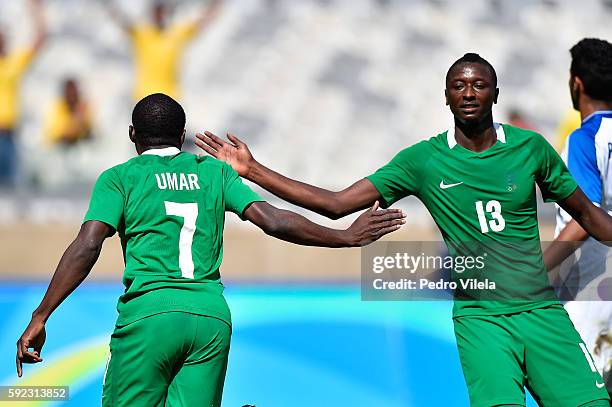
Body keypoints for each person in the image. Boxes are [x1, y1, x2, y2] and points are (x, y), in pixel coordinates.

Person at [196, 53, 612, 406]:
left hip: (541, 310)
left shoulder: (530, 148)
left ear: (495, 94)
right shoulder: (423, 161)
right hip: (481, 318)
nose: (468, 93)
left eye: (479, 84)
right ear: (446, 97)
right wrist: (254, 170)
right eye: (458, 86)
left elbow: (589, 216)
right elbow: (336, 204)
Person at [15, 93, 405, 407]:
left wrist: (41, 314)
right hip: (210, 320)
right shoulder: (214, 172)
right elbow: (272, 219)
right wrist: (344, 237)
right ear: (183, 133)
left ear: (132, 134)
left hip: (150, 314)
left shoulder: (120, 178)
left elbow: (88, 243)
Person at [544, 38, 612, 393]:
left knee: (583, 397)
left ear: (577, 83)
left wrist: (535, 273)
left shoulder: (585, 139)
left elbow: (585, 217)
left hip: (590, 295)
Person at [106, 0, 222, 101]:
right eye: (157, 13)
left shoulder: (176, 34)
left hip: (169, 95)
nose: (159, 17)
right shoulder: (143, 34)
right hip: (143, 95)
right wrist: (110, 6)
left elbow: (203, 22)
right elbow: (121, 21)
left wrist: (216, 4)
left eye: (161, 13)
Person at [0, 0, 46, 186]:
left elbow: (39, 40)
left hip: (8, 131)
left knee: (9, 186)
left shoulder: (12, 63)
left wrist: (37, 11)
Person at [45, 78, 92, 146]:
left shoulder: (83, 106)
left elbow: (89, 132)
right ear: (65, 94)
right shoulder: (57, 109)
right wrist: (78, 120)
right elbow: (62, 136)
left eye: (74, 93)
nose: (72, 96)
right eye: (70, 93)